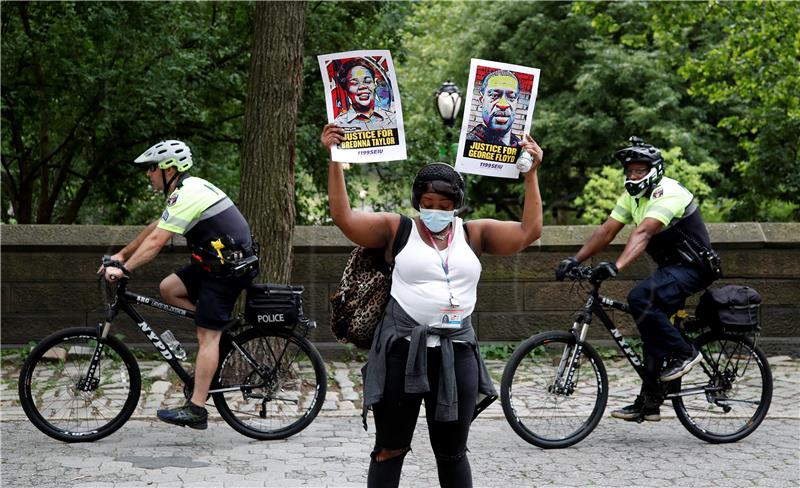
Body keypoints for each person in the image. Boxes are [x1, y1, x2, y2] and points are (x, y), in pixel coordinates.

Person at [321, 123, 544, 488]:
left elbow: (528, 231)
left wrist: (531, 174)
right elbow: (344, 219)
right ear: (417, 202)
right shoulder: (398, 230)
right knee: (390, 448)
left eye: (445, 206)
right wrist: (335, 159)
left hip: (456, 353)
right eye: (428, 205)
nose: (436, 212)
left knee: (453, 452)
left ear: (457, 205)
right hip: (401, 352)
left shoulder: (474, 233)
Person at [555, 136, 718, 422]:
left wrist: (616, 267)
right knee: (651, 332)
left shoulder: (668, 192)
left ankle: (686, 352)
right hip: (672, 269)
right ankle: (650, 403)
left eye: (638, 170)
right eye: (629, 171)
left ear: (653, 169)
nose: (632, 175)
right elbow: (607, 231)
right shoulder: (632, 197)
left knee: (640, 297)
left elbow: (642, 233)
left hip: (695, 269)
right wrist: (575, 260)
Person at [101, 140, 257, 430]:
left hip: (227, 270)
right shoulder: (184, 191)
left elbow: (156, 243)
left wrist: (123, 269)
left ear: (169, 168)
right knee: (169, 288)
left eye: (152, 168)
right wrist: (122, 255)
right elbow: (156, 228)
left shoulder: (189, 193)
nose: (149, 174)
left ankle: (197, 409)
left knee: (206, 335)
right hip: (213, 264)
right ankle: (215, 327)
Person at [333, 59, 396, 131]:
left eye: (367, 81)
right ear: (346, 89)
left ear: (375, 84)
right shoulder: (338, 125)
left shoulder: (393, 119)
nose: (362, 86)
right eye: (355, 83)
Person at [466, 69, 523, 147]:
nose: (503, 105)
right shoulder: (465, 144)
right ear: (481, 101)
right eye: (494, 95)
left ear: (517, 103)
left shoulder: (523, 150)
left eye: (511, 97)